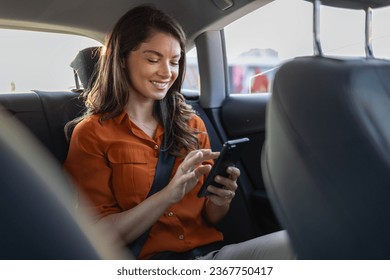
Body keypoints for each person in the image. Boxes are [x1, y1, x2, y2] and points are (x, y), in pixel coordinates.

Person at [64, 5, 294, 260]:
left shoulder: (191, 124)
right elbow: (97, 236)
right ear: (121, 59)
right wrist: (168, 195)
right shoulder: (91, 134)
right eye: (153, 60)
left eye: (174, 62)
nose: (167, 72)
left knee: (304, 245)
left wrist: (221, 199)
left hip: (211, 257)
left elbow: (211, 216)